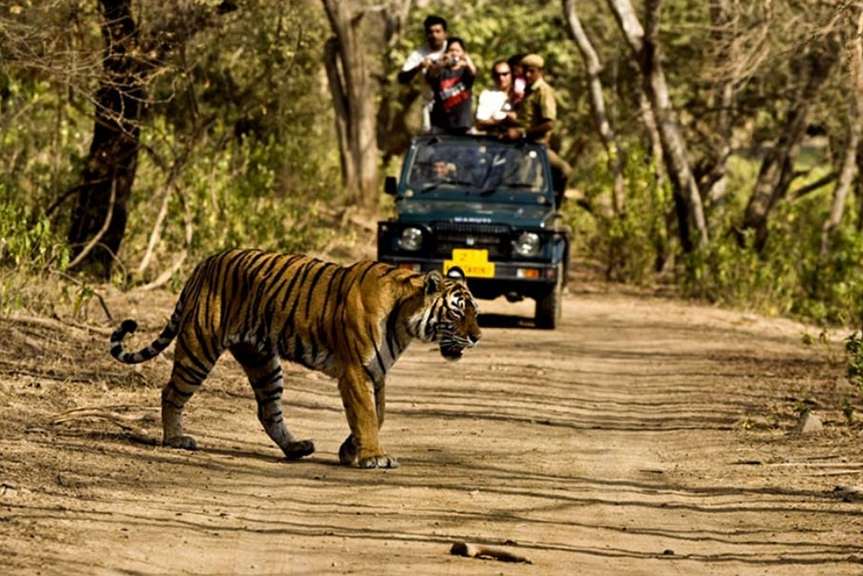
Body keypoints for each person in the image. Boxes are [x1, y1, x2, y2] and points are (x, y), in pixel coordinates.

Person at [502, 53, 571, 205]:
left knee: (563, 171)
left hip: (536, 145)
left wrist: (523, 133)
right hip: (522, 145)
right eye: (525, 71)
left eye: (531, 71)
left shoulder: (543, 91)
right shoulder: (527, 91)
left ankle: (554, 207)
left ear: (540, 71)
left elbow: (549, 123)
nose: (527, 74)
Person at [397, 15, 448, 132]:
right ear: (426, 34)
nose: (434, 35)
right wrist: (418, 67)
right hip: (431, 106)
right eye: (430, 32)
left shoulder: (452, 48)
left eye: (438, 31)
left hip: (454, 105)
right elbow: (402, 78)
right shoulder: (418, 54)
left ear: (445, 34)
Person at [427, 37, 476, 135]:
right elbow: (431, 74)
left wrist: (465, 59)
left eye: (457, 50)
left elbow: (473, 71)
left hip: (462, 124)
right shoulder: (440, 71)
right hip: (440, 125)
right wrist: (441, 60)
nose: (454, 53)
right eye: (451, 50)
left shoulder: (465, 71)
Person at [474, 59, 517, 133]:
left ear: (512, 74)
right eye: (497, 75)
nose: (501, 78)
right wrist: (502, 121)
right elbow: (479, 124)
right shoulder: (487, 95)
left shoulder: (521, 92)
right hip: (494, 140)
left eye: (505, 74)